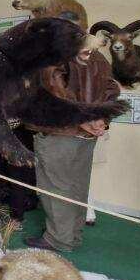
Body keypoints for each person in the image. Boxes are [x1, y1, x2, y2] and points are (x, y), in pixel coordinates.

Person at [24, 44, 120, 252]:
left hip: (60, 133)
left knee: (55, 189)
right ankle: (72, 235)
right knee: (77, 186)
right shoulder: (98, 57)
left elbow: (53, 93)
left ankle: (58, 239)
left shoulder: (55, 53)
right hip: (86, 137)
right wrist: (101, 119)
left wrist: (81, 118)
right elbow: (112, 90)